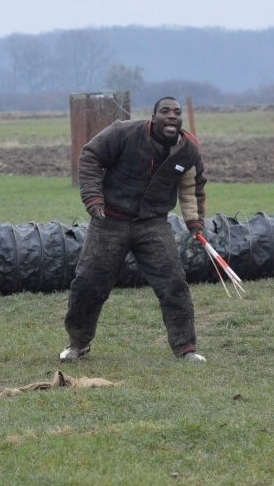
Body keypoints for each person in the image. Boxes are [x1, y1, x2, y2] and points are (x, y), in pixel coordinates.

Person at [59, 96, 208, 363]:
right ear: (153, 117)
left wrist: (195, 224)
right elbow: (90, 156)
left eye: (176, 112)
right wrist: (93, 198)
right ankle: (77, 344)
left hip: (153, 225)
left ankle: (186, 348)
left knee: (174, 284)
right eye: (165, 111)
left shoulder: (188, 150)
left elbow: (191, 186)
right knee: (88, 284)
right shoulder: (123, 133)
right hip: (109, 221)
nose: (171, 115)